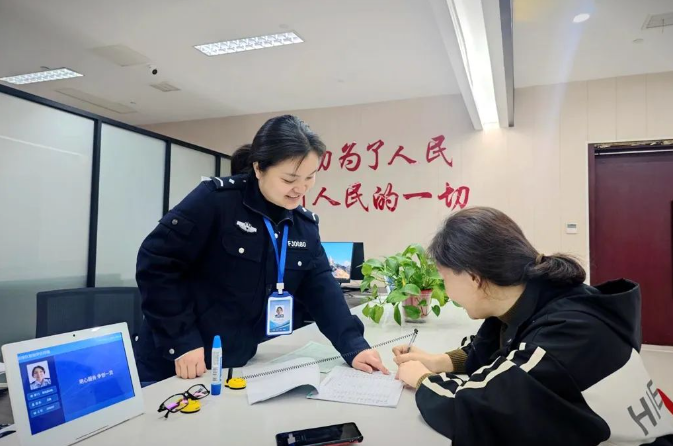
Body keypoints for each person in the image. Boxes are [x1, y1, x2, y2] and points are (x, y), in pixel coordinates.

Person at [134, 115, 387, 383]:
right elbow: (157, 263)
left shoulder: (303, 225)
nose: (301, 188)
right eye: (289, 179)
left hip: (235, 362)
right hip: (175, 363)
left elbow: (322, 290)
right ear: (259, 168)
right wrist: (181, 341)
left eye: (310, 177)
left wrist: (354, 346)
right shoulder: (215, 202)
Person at [393, 207, 673, 446]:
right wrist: (438, 361)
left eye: (444, 279)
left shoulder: (564, 334)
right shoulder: (542, 296)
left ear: (473, 277)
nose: (445, 290)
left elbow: (475, 411)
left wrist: (422, 379)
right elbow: (494, 351)